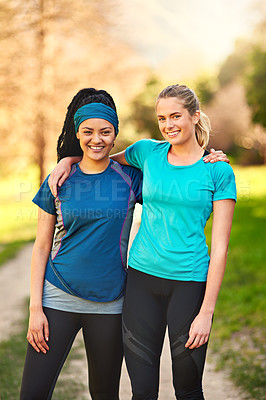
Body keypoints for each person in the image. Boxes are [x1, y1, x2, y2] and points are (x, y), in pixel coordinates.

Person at [49, 84, 235, 400]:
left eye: (176, 116)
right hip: (141, 282)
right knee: (143, 391)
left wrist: (207, 311)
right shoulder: (147, 152)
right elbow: (100, 159)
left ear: (194, 116)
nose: (169, 125)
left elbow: (219, 249)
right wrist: (67, 160)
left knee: (188, 389)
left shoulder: (218, 171)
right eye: (162, 118)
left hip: (188, 285)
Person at [20, 88, 143, 400]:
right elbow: (41, 246)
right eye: (88, 132)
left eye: (105, 132)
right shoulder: (58, 179)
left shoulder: (131, 178)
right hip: (56, 299)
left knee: (104, 393)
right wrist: (36, 309)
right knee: (33, 393)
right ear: (78, 133)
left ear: (115, 135)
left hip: (111, 304)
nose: (96, 139)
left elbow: (172, 168)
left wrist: (207, 157)